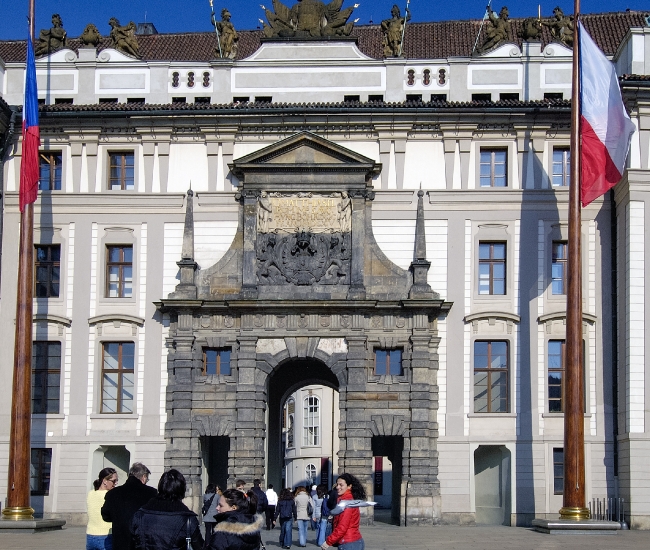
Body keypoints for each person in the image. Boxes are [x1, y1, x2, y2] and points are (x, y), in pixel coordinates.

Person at [131, 469, 203, 550]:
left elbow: (132, 543)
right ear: (182, 491)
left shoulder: (140, 514)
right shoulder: (187, 519)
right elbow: (199, 546)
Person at [101, 462, 157, 550]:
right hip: (142, 543)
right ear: (144, 477)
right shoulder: (151, 493)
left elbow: (105, 516)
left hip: (120, 543)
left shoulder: (113, 494)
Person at [321, 474, 366, 550]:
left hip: (348, 543)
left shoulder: (347, 502)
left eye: (341, 485)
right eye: (337, 484)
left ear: (349, 486)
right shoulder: (348, 499)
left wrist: (328, 541)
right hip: (353, 540)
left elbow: (342, 526)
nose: (337, 487)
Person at [86, 467, 117, 550]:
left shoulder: (91, 493)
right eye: (113, 481)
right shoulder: (110, 495)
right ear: (104, 481)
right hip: (107, 535)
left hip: (90, 535)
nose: (116, 483)